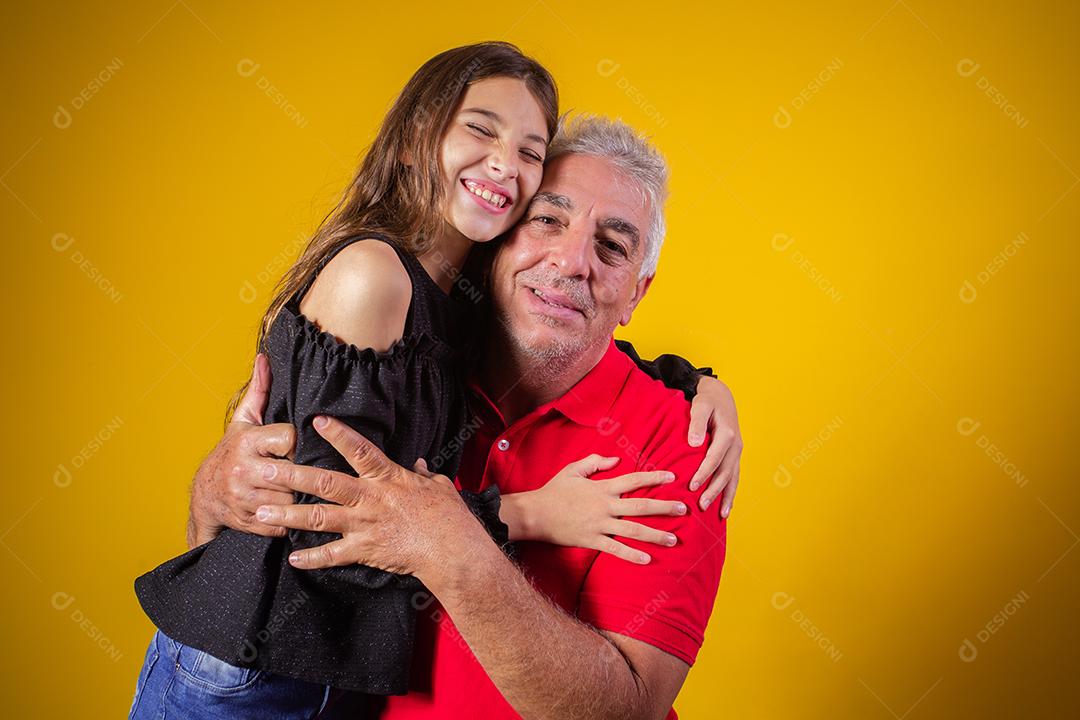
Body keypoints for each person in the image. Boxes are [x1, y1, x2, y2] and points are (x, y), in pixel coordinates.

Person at [130, 44, 741, 719]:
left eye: (612, 246)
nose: (570, 262)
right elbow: (319, 524)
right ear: (501, 240)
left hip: (320, 681)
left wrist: (697, 382)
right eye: (548, 219)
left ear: (636, 294)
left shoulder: (682, 443)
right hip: (258, 670)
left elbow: (623, 711)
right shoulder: (400, 308)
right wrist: (220, 489)